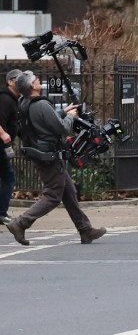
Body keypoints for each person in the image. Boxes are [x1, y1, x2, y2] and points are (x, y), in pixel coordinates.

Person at [5, 70, 106, 246]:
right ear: (32, 86)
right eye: (36, 80)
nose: (39, 81)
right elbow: (62, 129)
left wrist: (63, 111)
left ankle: (85, 230)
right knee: (53, 194)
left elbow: (42, 123)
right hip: (49, 154)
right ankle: (20, 223)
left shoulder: (24, 101)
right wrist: (71, 117)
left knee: (69, 191)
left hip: (38, 151)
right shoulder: (41, 104)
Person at [0, 68, 20, 225]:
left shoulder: (13, 100)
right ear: (10, 82)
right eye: (18, 79)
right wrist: (3, 134)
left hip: (3, 147)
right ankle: (1, 213)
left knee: (7, 177)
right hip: (1, 145)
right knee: (9, 177)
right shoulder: (6, 100)